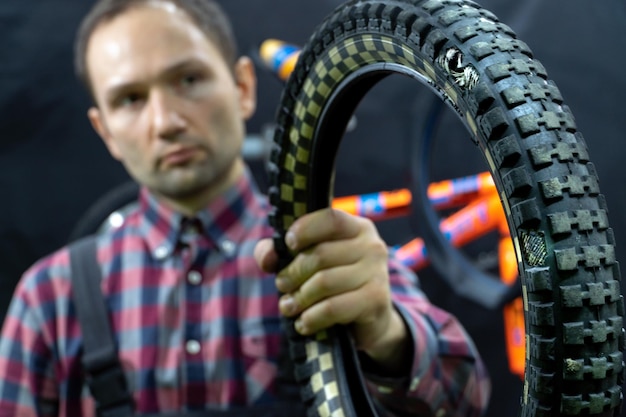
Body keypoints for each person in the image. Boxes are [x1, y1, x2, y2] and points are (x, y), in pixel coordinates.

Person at [0, 0, 491, 416]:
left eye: (188, 79)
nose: (166, 120)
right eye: (129, 99)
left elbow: (467, 398)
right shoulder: (50, 300)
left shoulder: (331, 250)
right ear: (104, 129)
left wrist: (387, 333)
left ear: (242, 87)